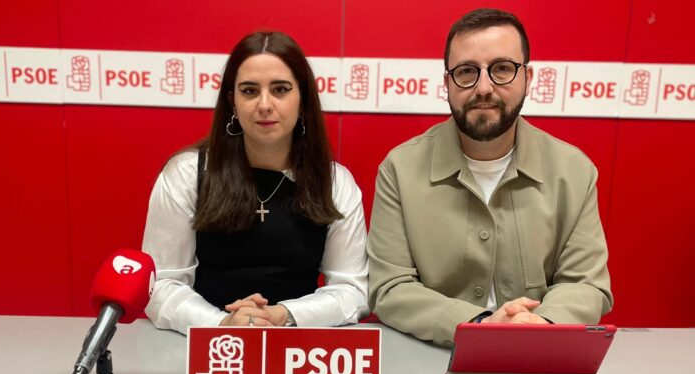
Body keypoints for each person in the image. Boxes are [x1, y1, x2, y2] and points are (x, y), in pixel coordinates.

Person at [367, 8, 613, 347]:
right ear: (447, 84)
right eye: (467, 71)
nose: (484, 88)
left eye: (502, 69)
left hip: (540, 353)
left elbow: (586, 284)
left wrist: (539, 325)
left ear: (528, 78)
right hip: (435, 352)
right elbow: (390, 287)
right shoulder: (400, 169)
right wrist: (479, 324)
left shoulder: (574, 171)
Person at [143, 31, 369, 331]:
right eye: (249, 91)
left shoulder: (335, 183)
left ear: (303, 100)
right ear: (232, 102)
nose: (264, 104)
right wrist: (222, 322)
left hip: (296, 346)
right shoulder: (186, 174)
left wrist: (281, 315)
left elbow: (352, 290)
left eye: (280, 89)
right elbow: (160, 286)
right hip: (203, 344)